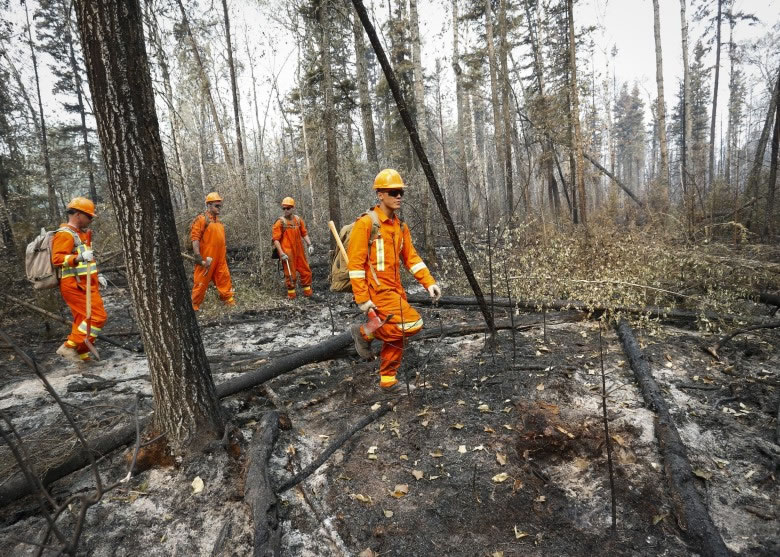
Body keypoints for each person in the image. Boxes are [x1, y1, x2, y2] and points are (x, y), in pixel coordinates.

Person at [347, 169, 442, 391]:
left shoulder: (400, 226)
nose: (398, 196)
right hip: (376, 292)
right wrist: (362, 298)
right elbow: (356, 265)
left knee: (397, 334)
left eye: (400, 192)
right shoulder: (366, 224)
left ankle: (387, 380)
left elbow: (412, 258)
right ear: (380, 194)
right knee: (411, 324)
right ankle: (363, 332)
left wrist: (429, 282)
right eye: (393, 192)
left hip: (395, 290)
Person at [52, 197, 107, 364]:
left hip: (86, 283)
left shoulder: (81, 234)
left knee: (82, 320)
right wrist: (78, 258)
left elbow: (88, 261)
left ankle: (82, 355)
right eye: (88, 216)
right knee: (98, 317)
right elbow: (57, 258)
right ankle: (69, 346)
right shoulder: (65, 234)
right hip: (74, 285)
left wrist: (98, 275)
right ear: (77, 214)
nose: (90, 220)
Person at [190, 192, 235, 311]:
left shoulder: (219, 222)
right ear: (209, 205)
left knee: (224, 279)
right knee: (200, 283)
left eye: (220, 206)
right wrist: (198, 256)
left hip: (220, 258)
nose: (219, 208)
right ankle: (194, 308)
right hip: (206, 259)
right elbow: (195, 238)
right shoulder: (201, 220)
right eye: (216, 206)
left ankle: (230, 304)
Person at [272, 197, 314, 299]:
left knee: (305, 271)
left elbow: (304, 233)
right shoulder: (280, 222)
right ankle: (292, 296)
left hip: (299, 251)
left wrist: (310, 244)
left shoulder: (298, 220)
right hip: (287, 252)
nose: (286, 210)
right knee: (290, 275)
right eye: (284, 208)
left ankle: (308, 294)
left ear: (293, 208)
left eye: (288, 208)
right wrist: (281, 253)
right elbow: (276, 240)